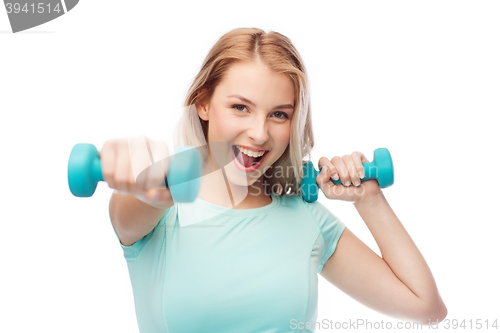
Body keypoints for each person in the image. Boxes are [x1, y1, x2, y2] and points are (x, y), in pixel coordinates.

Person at [103, 27, 447, 333]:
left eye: (279, 114)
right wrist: (142, 175)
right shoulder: (161, 204)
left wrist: (369, 200)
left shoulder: (306, 217)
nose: (259, 133)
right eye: (240, 107)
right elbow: (143, 198)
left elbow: (426, 308)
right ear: (203, 104)